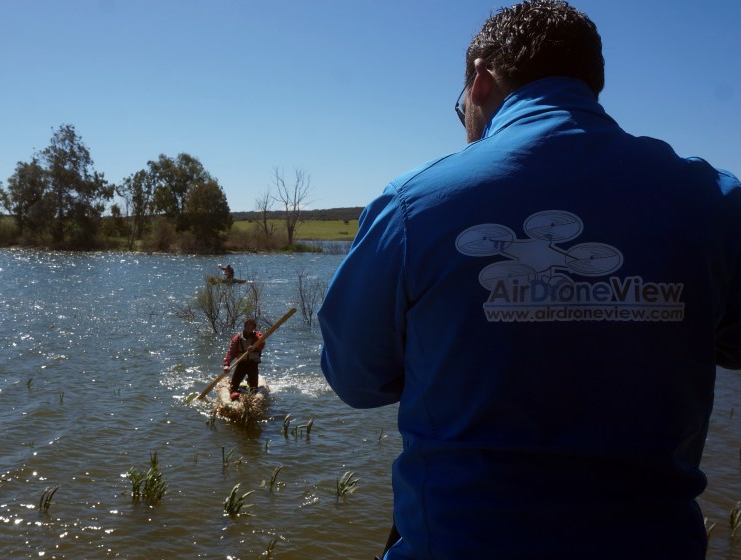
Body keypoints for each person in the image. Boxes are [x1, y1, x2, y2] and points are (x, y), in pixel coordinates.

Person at [318, 2, 741, 559]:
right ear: (592, 82)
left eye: (461, 103)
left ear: (480, 79)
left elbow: (355, 378)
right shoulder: (714, 201)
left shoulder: (412, 205)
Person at [223, 317, 264, 400]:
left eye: (251, 325)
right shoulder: (237, 338)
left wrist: (254, 347)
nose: (249, 327)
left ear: (254, 327)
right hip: (242, 363)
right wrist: (226, 364)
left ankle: (250, 384)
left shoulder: (258, 336)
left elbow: (261, 344)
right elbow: (231, 352)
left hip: (253, 364)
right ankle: (234, 395)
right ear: (245, 326)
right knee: (233, 386)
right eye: (247, 325)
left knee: (253, 390)